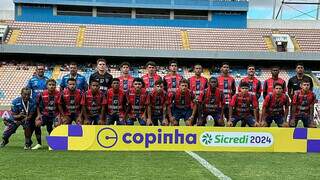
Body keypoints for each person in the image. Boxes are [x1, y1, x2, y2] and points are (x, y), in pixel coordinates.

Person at [33, 79, 60, 150]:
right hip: (45, 114)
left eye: (53, 85)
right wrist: (38, 115)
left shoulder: (59, 94)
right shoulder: (41, 94)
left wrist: (59, 115)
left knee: (56, 125)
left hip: (55, 115)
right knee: (37, 124)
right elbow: (38, 105)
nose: (51, 86)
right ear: (46, 86)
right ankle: (39, 143)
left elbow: (61, 106)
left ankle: (52, 144)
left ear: (55, 86)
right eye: (50, 85)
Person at [26, 64, 49, 150]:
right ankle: (38, 143)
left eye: (42, 69)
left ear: (44, 70)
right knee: (35, 124)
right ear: (36, 70)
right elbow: (27, 91)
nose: (41, 70)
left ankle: (53, 143)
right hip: (35, 106)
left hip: (45, 106)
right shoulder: (32, 80)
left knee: (49, 124)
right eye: (39, 69)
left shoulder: (47, 80)